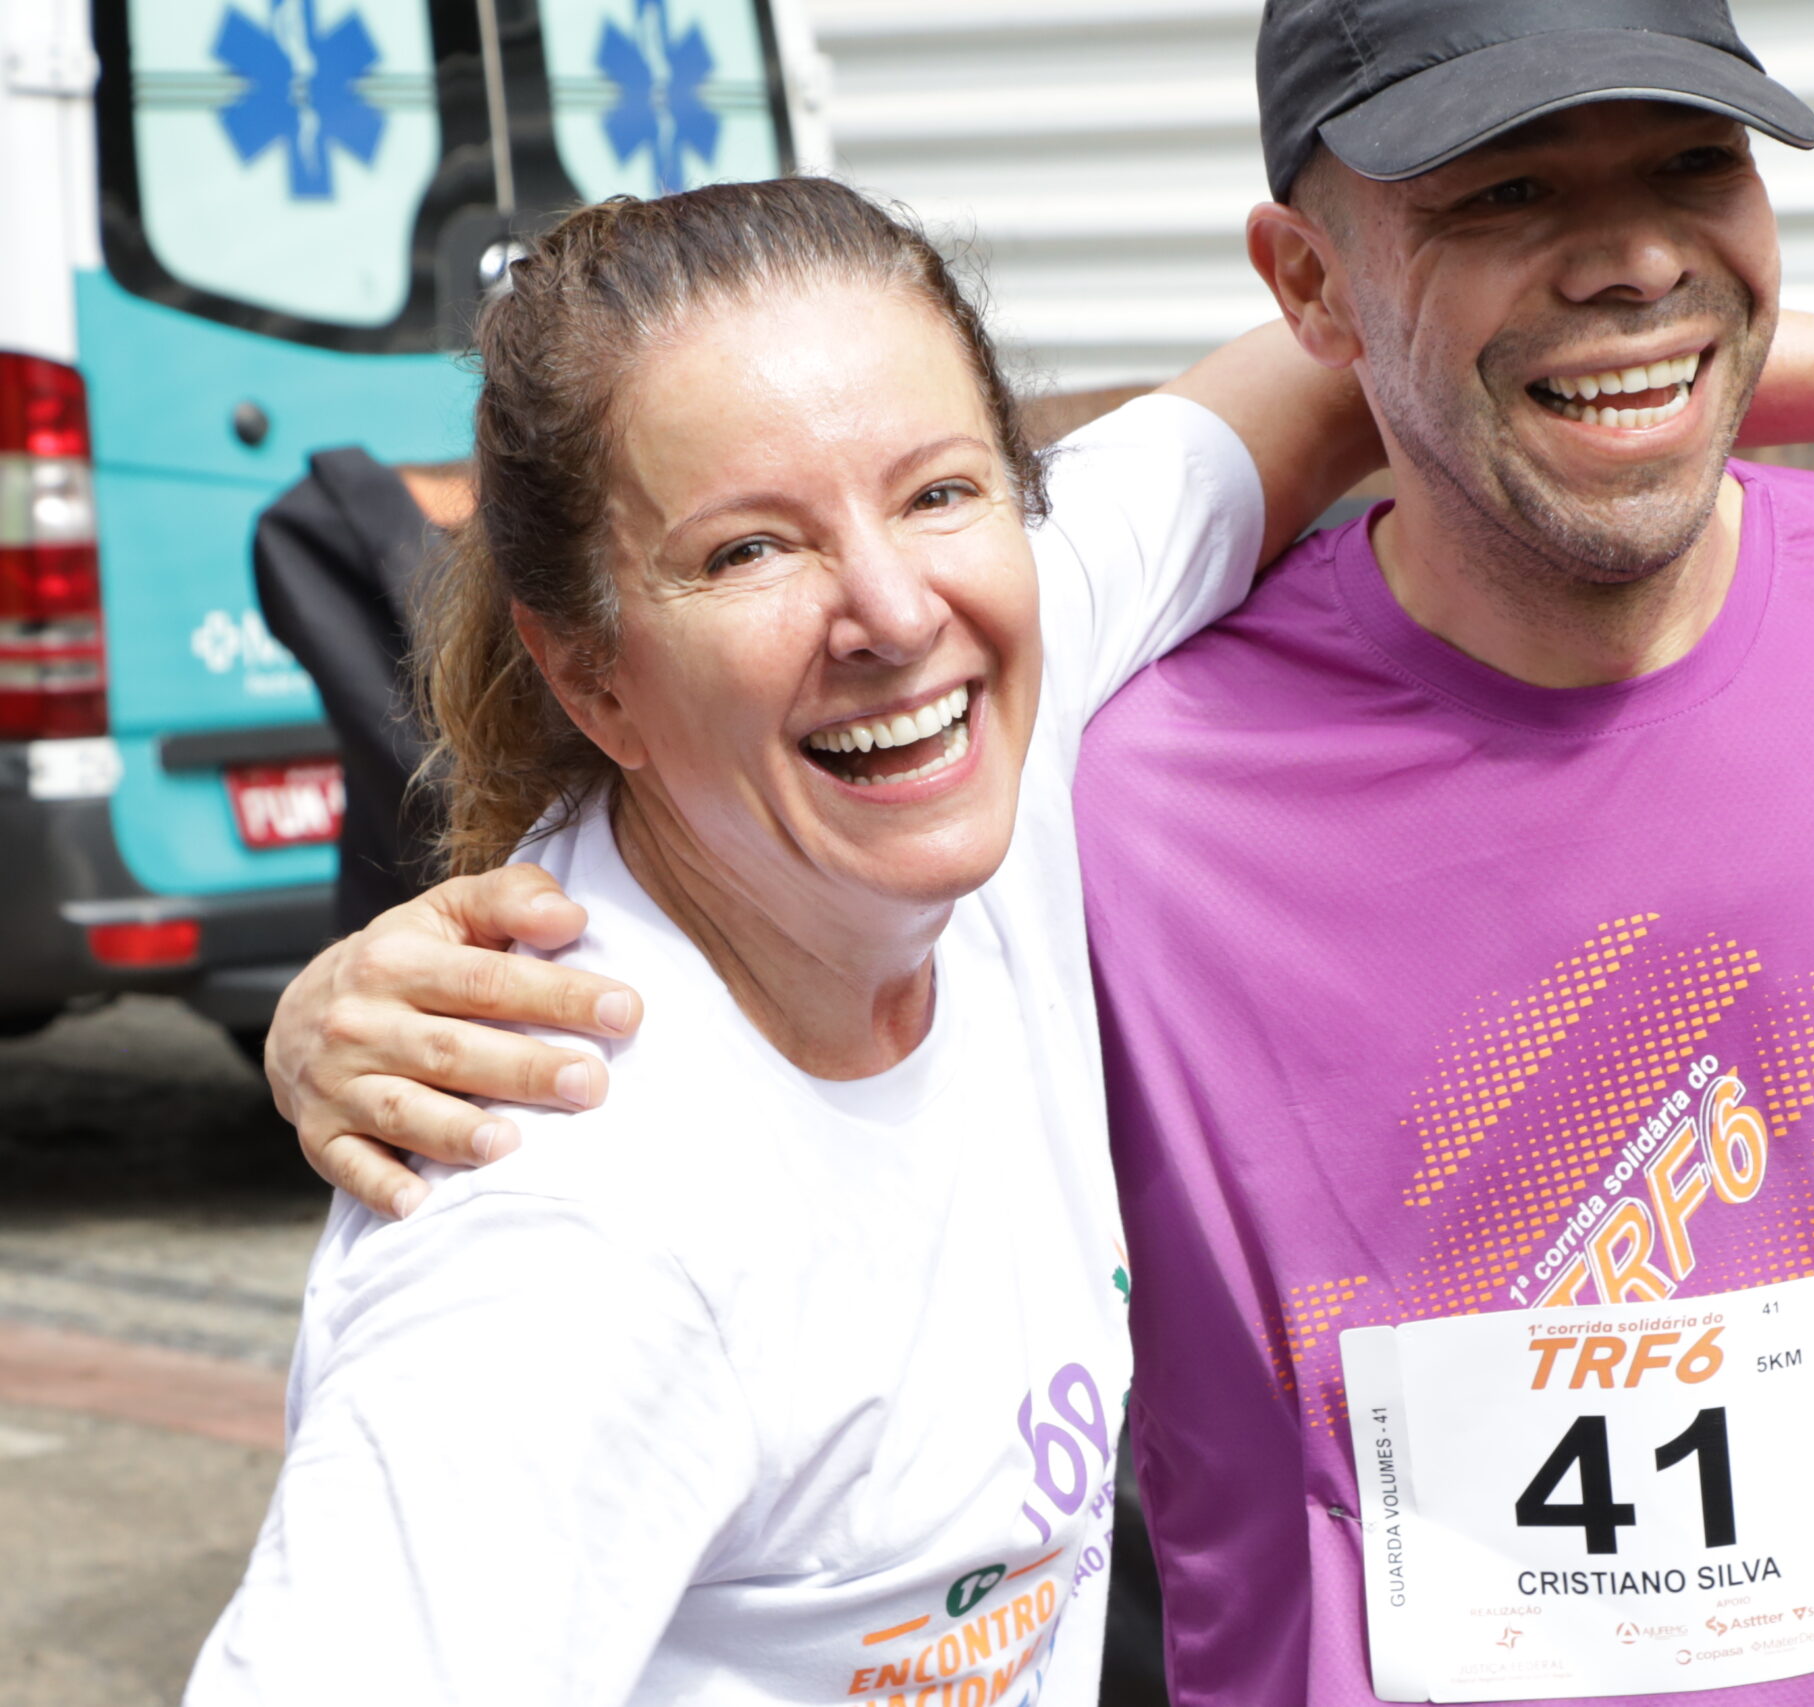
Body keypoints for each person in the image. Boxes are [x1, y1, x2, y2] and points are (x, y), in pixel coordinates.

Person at [249, 14, 1814, 1707]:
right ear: (1306, 275)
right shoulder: (1072, 784)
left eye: (1688, 161)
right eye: (1495, 188)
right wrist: (365, 1009)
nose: (1627, 240)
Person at [188, 177, 1385, 1702]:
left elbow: (1348, 354)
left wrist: (1777, 341)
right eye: (750, 552)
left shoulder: (971, 742)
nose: (892, 610)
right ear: (591, 676)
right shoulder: (575, 1238)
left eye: (941, 490)